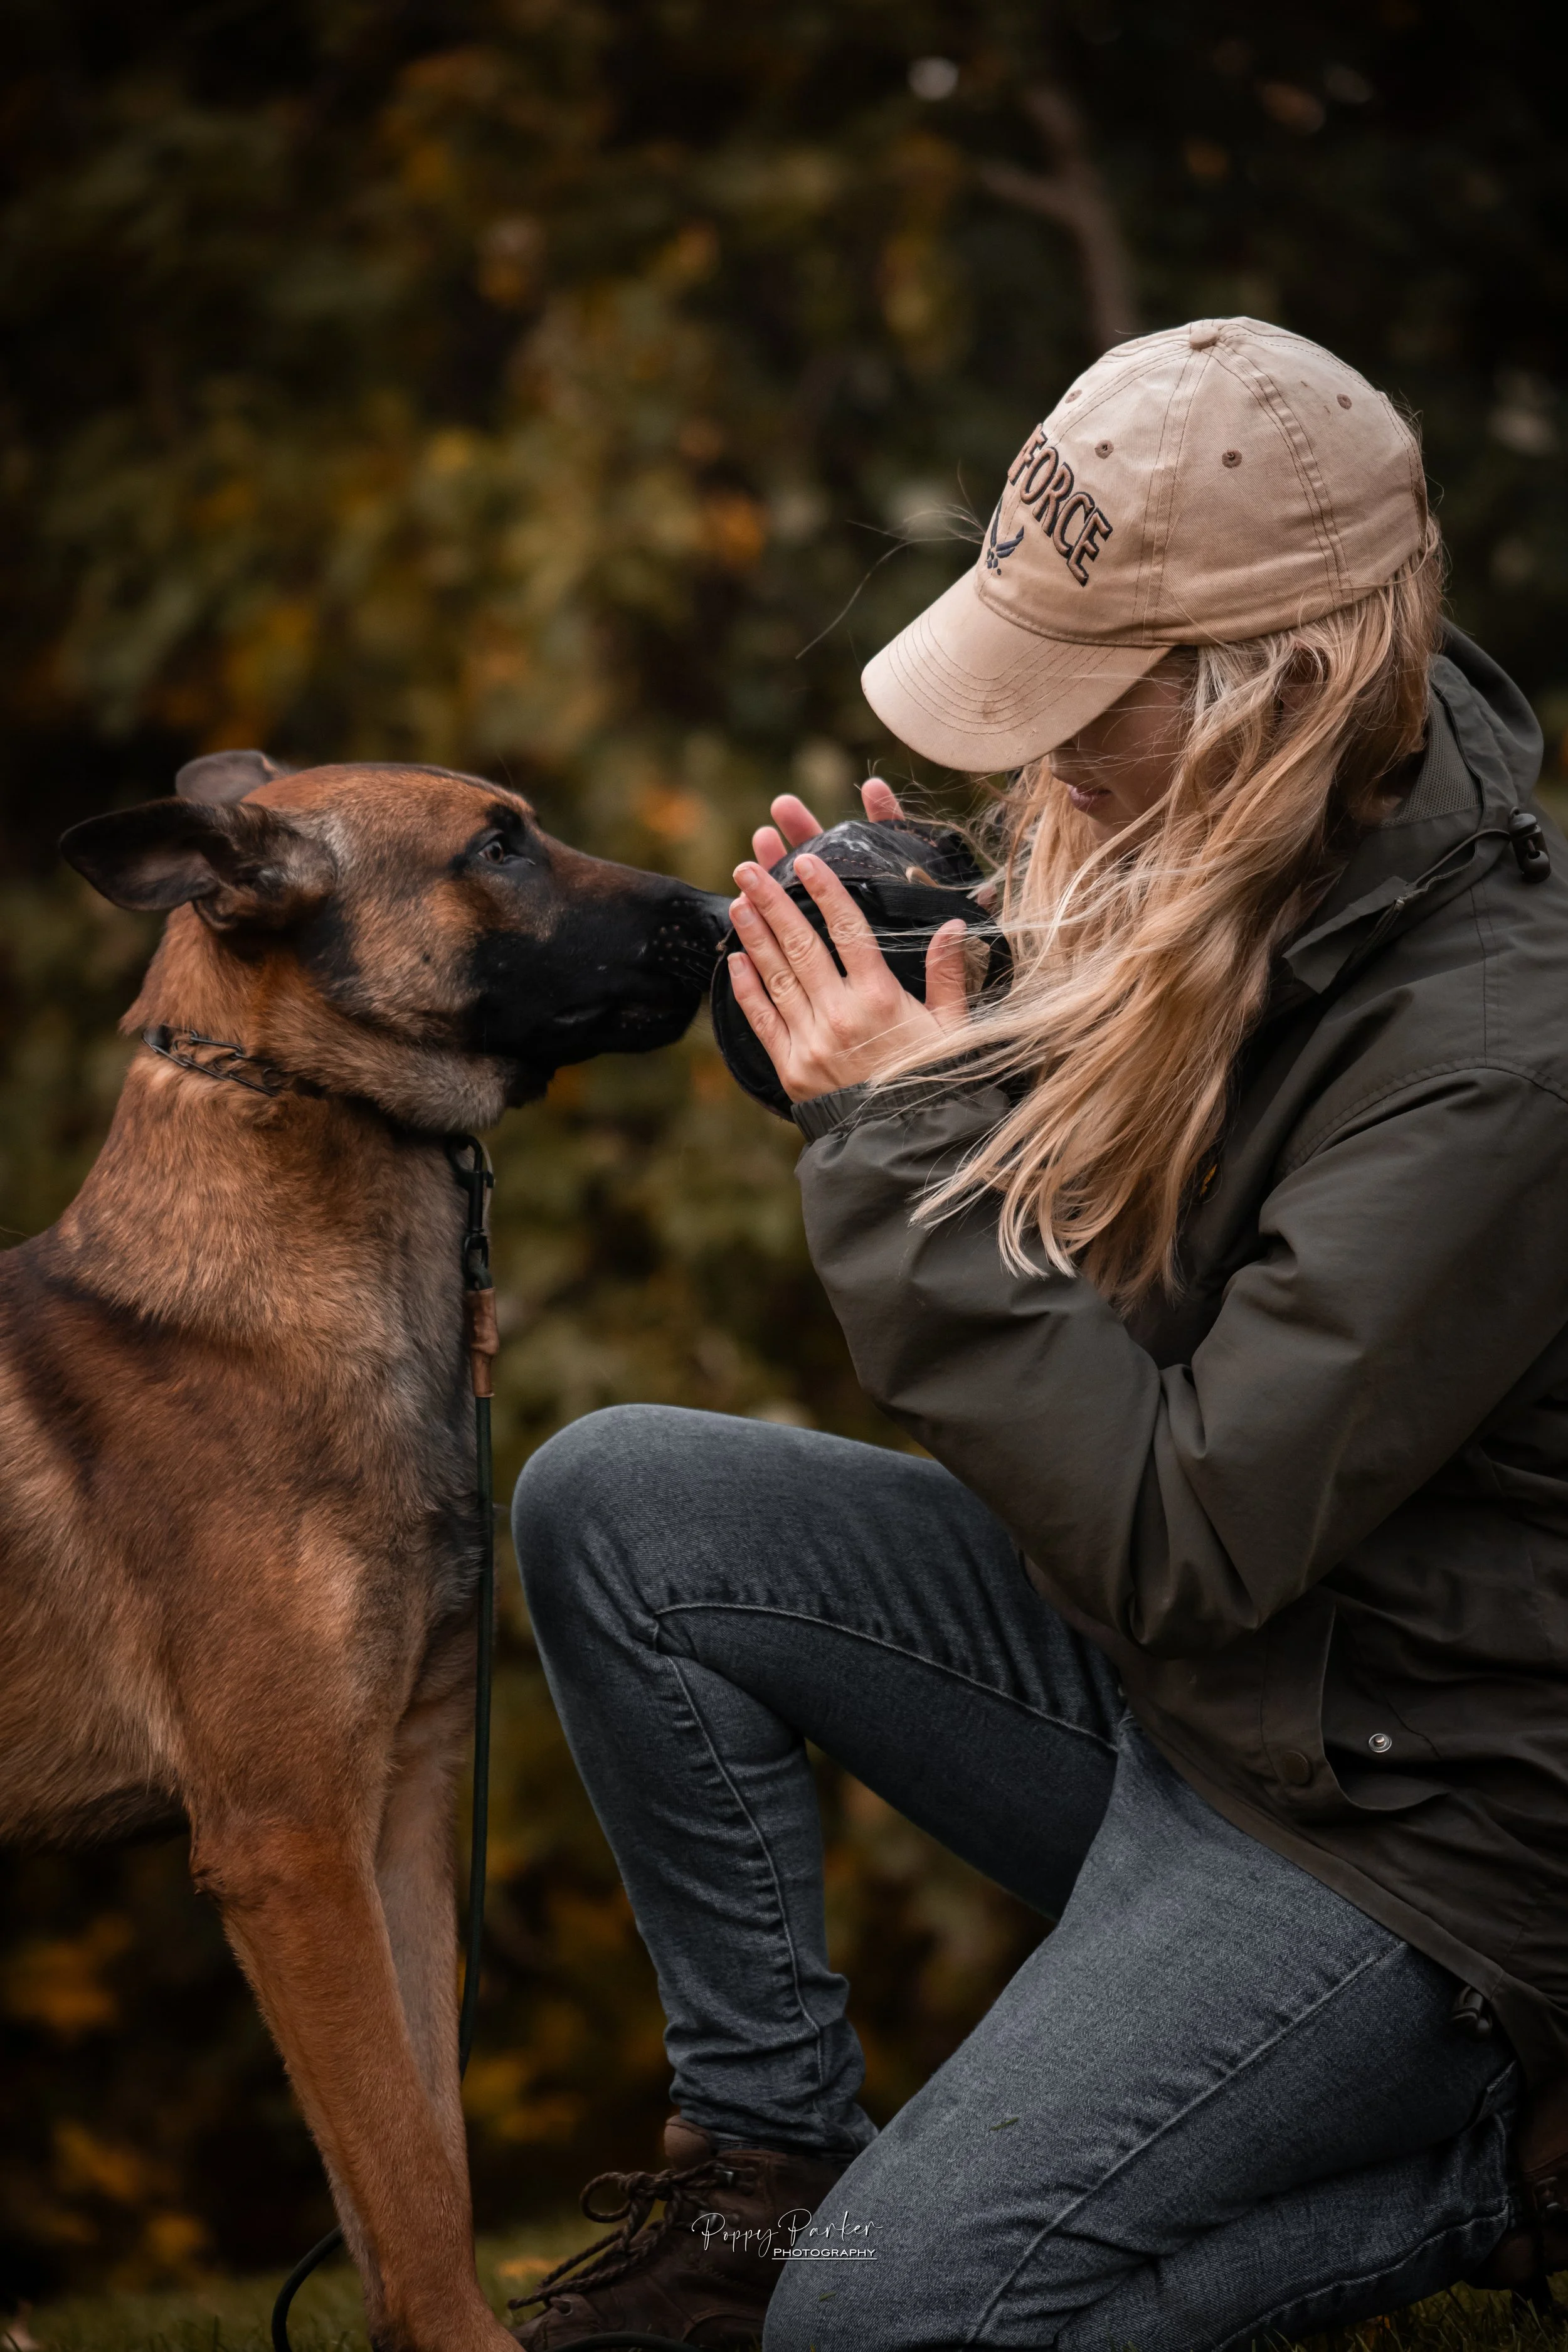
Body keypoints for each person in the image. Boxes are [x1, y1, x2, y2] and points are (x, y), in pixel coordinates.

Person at [507, 318, 1568, 2351]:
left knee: (885, 2327)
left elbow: (1181, 1529)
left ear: (1278, 682)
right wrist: (901, 995)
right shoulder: (1245, 858)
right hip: (1187, 1695)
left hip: (1404, 1821)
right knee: (621, 1505)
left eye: (1093, 700)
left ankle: (1486, 2179)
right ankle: (762, 2180)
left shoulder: (1499, 1056)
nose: (1039, 755)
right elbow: (1105, 1257)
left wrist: (899, 1130)